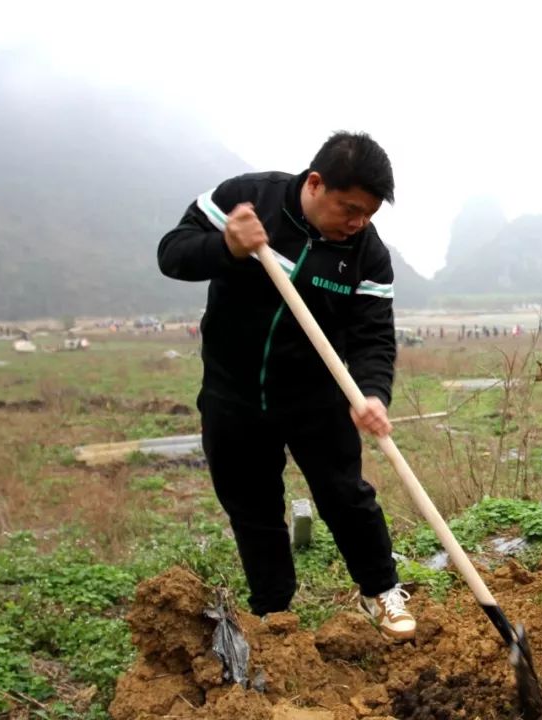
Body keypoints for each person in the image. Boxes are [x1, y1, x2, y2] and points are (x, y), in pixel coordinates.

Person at [158, 131, 415, 640]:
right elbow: (172, 254)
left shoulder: (367, 254)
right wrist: (227, 245)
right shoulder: (248, 200)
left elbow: (373, 337)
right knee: (253, 506)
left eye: (368, 214)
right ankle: (274, 613)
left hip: (315, 395)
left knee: (347, 495)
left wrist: (371, 393)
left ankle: (381, 592)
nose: (357, 223)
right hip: (233, 391)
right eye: (350, 209)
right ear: (316, 184)